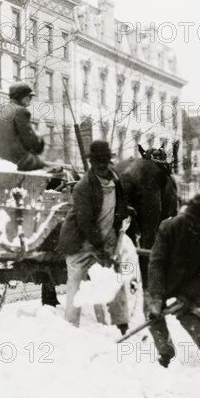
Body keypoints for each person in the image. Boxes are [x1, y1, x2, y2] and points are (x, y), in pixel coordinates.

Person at [57, 140, 133, 334]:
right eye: (96, 161)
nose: (100, 165)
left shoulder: (116, 181)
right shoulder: (83, 187)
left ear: (109, 161)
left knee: (111, 283)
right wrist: (100, 248)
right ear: (91, 162)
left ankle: (118, 327)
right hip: (80, 244)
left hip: (105, 240)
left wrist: (128, 214)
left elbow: (121, 205)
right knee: (75, 288)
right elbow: (85, 223)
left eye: (104, 160)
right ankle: (70, 330)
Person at [146, 194, 200, 373]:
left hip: (193, 282)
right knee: (152, 313)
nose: (195, 226)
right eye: (192, 221)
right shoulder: (169, 227)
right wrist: (157, 297)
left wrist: (186, 297)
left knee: (188, 313)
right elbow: (156, 262)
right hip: (165, 278)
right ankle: (166, 354)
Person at [0, 81, 46, 171]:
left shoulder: (3, 111)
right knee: (52, 171)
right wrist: (40, 140)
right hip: (16, 159)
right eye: (29, 96)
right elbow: (31, 142)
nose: (30, 99)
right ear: (21, 96)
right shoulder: (21, 111)